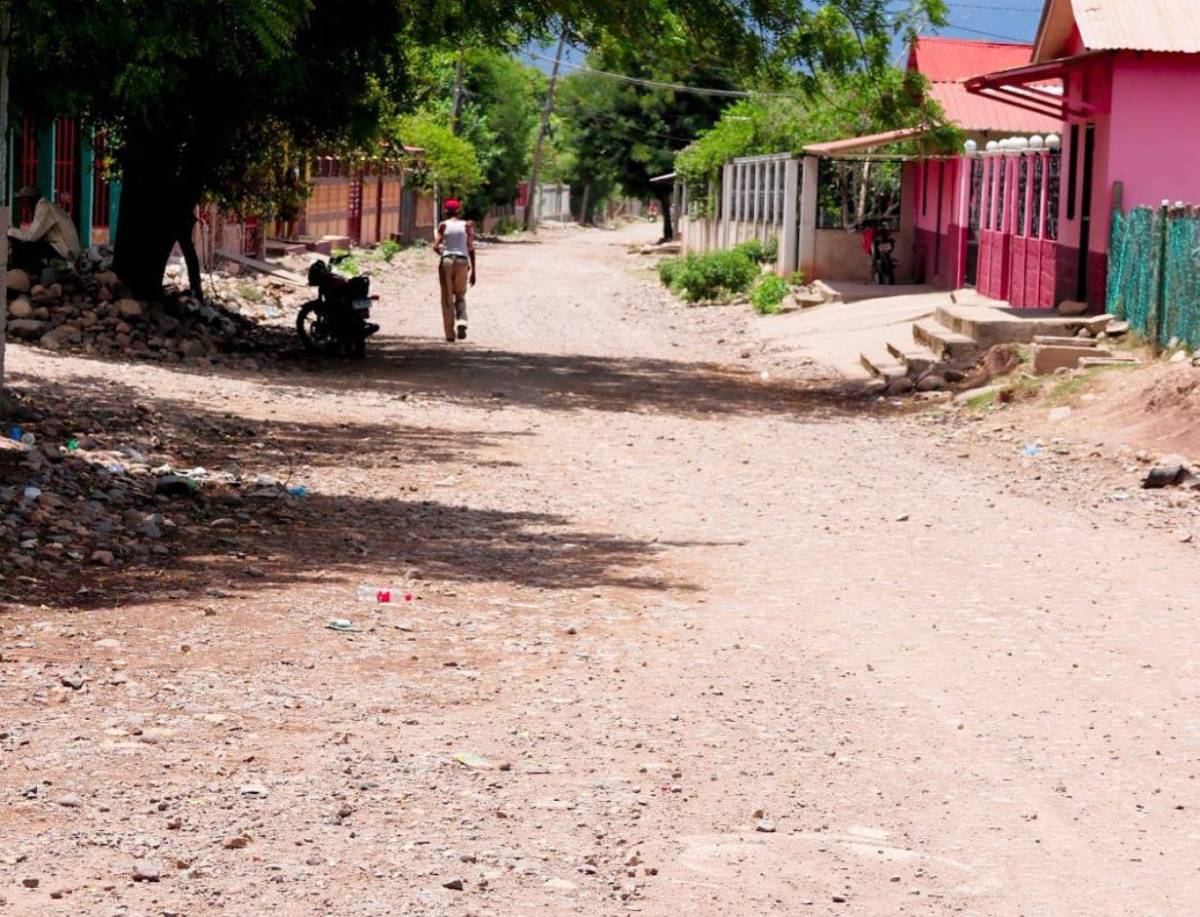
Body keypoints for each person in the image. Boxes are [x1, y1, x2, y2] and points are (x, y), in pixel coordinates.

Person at [7, 185, 82, 272]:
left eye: (22, 202)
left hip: (65, 252)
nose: (21, 206)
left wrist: (9, 231)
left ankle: (23, 273)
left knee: (23, 248)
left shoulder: (44, 208)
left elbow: (30, 237)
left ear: (28, 200)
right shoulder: (46, 206)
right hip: (64, 249)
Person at [432, 199, 476, 342]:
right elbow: (471, 248)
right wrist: (474, 271)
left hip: (447, 261)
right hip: (462, 261)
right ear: (459, 211)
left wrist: (443, 254)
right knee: (460, 295)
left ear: (445, 211)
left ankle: (450, 334)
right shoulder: (466, 226)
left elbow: (435, 246)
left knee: (447, 298)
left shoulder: (443, 225)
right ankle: (462, 321)